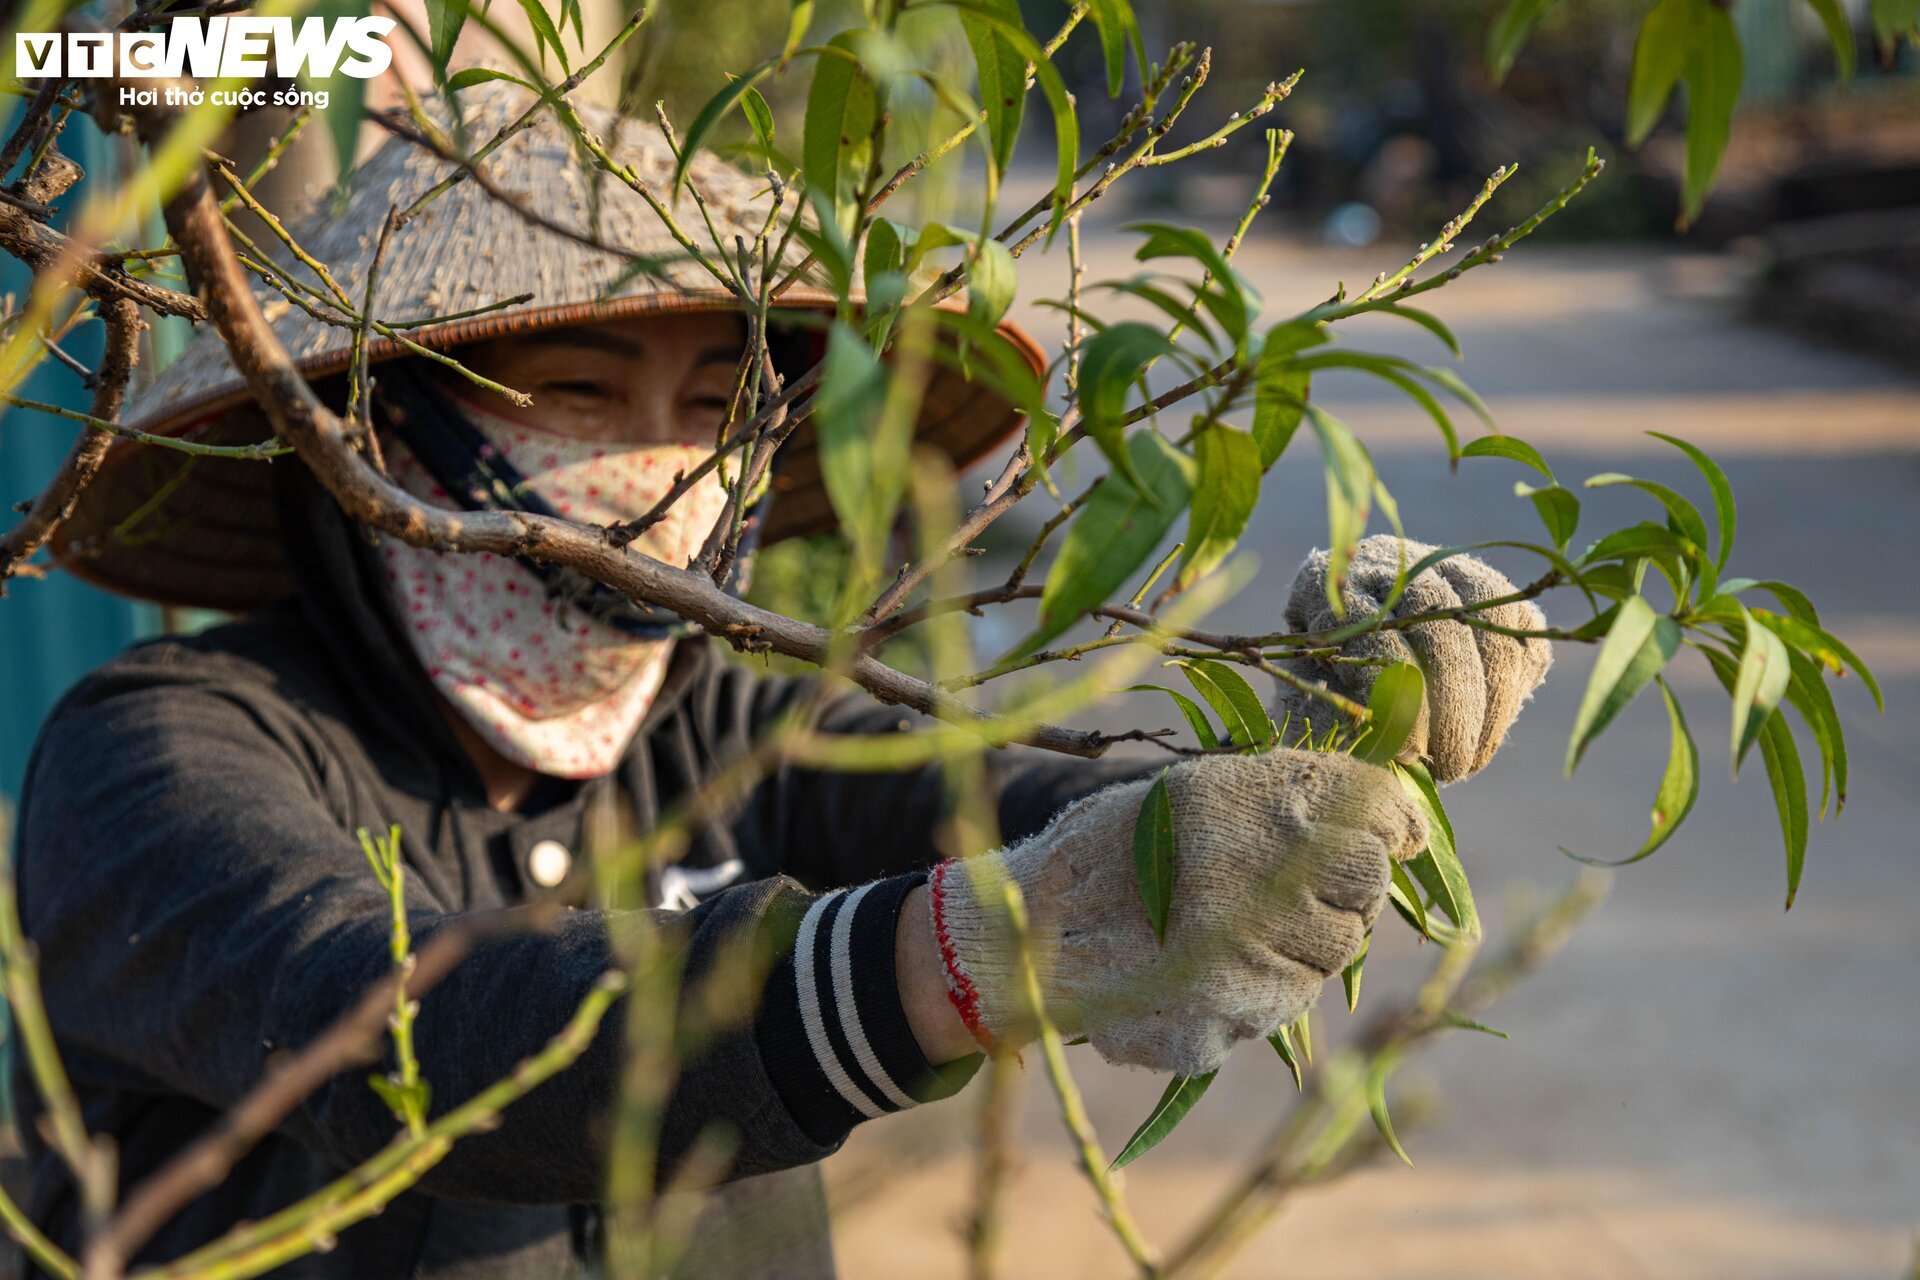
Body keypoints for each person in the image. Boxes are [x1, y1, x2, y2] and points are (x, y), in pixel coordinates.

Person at [15, 82, 1551, 1278]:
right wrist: (971, 956)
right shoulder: (155, 757)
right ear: (369, 435)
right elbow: (399, 1029)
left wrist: (1300, 758)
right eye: (577, 391)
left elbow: (985, 797)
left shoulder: (716, 720)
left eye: (716, 399)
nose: (668, 468)